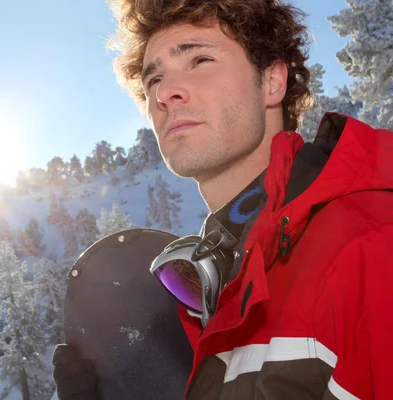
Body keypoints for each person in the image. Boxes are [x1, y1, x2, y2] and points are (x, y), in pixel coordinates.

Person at [53, 0, 393, 399]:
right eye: (153, 80)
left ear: (272, 82)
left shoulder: (368, 247)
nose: (165, 92)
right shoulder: (219, 286)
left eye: (199, 60)